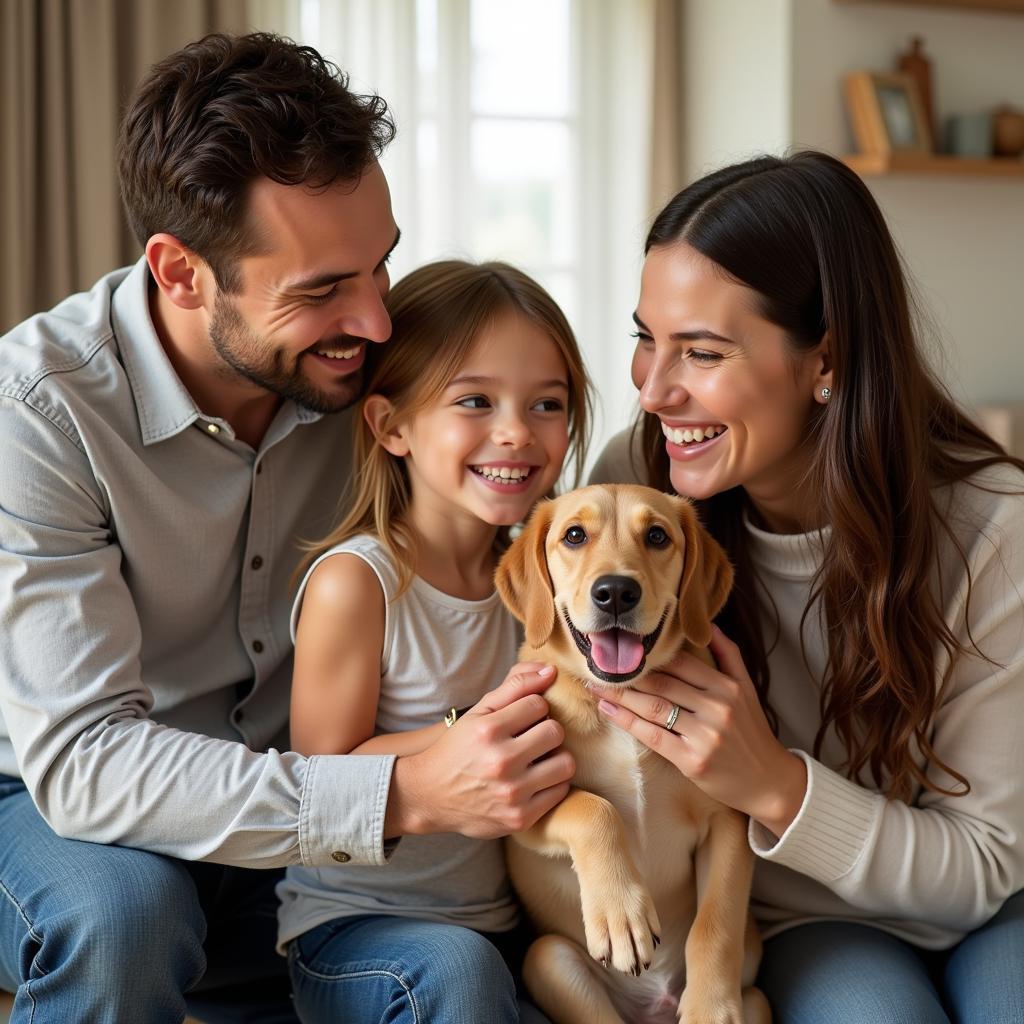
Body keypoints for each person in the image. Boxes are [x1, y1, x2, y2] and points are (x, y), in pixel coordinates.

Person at [0, 33, 573, 1024]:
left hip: (310, 829)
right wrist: (405, 793)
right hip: (65, 804)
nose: (378, 322)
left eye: (379, 267)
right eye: (321, 291)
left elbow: (515, 452)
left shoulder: (369, 382)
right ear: (181, 272)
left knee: (474, 960)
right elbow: (87, 760)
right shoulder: (40, 413)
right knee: (122, 915)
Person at [587, 150, 1024, 1023]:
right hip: (797, 920)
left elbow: (982, 867)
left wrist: (774, 784)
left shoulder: (995, 527)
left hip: (990, 909)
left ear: (825, 359)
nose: (656, 391)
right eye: (646, 338)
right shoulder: (641, 498)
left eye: (701, 351)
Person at [277, 259, 591, 1023]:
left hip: (508, 927)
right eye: (475, 401)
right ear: (391, 426)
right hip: (356, 931)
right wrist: (463, 736)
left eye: (547, 404)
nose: (516, 431)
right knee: (458, 973)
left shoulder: (552, 577)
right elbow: (317, 778)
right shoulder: (359, 583)